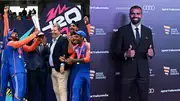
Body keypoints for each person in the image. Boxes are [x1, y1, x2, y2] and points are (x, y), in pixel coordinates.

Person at [115, 5, 155, 101]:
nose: (135, 15)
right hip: (127, 72)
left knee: (144, 98)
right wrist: (126, 54)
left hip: (143, 73)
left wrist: (152, 53)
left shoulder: (148, 31)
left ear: (141, 15)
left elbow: (152, 50)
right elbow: (116, 52)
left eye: (138, 13)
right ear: (129, 15)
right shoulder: (122, 31)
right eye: (133, 13)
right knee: (123, 98)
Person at [3, 28, 41, 101]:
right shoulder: (10, 43)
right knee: (18, 94)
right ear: (9, 37)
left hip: (23, 71)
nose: (16, 33)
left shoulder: (19, 46)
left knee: (22, 93)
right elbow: (22, 42)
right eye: (13, 33)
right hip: (16, 72)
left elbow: (30, 48)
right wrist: (34, 34)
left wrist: (37, 40)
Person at [64, 30, 90, 101]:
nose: (74, 38)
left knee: (88, 94)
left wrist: (74, 60)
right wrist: (65, 60)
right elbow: (71, 58)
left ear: (82, 38)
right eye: (74, 36)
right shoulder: (76, 48)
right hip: (80, 72)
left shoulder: (87, 45)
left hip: (89, 72)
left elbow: (87, 59)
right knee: (75, 89)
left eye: (77, 36)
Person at [49, 23, 69, 101]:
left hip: (61, 69)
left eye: (55, 30)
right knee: (56, 91)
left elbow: (64, 53)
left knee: (62, 90)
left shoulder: (63, 39)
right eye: (52, 30)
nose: (53, 32)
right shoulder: (52, 41)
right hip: (53, 69)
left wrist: (62, 65)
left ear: (59, 31)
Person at [26, 36, 49, 101]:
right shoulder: (30, 45)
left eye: (41, 38)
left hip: (42, 71)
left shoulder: (44, 46)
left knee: (43, 91)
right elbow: (28, 42)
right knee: (32, 91)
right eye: (37, 37)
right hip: (32, 70)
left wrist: (45, 45)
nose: (39, 39)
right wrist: (33, 35)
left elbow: (47, 55)